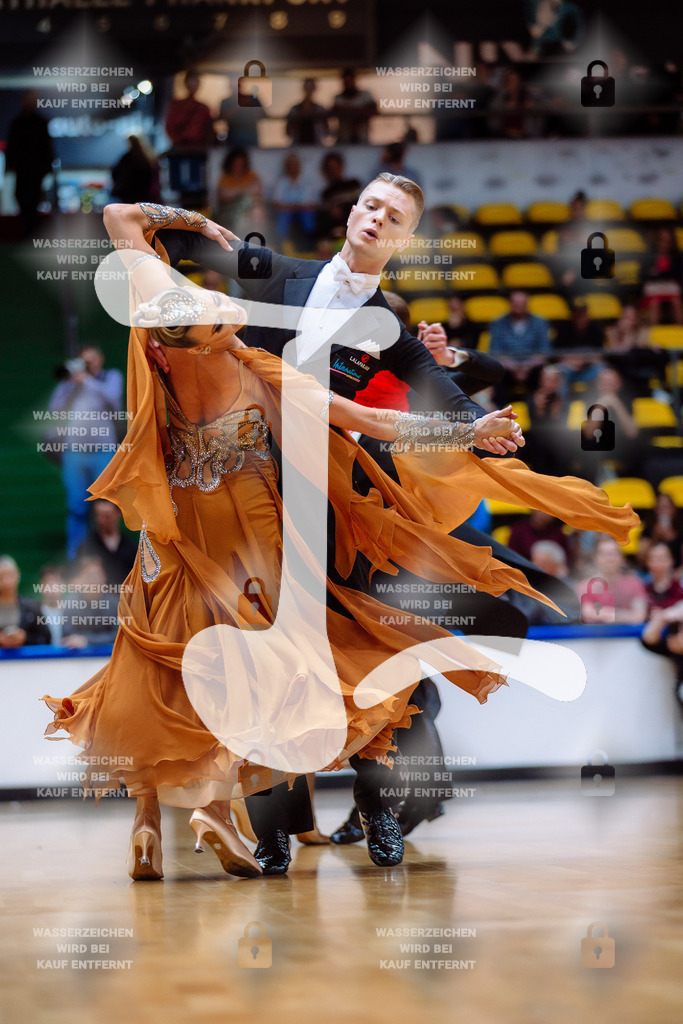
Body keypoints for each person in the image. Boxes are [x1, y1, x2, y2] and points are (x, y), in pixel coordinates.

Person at [45, 200, 558, 882]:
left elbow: (119, 217)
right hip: (254, 524)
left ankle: (152, 826)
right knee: (276, 669)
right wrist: (464, 432)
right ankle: (224, 808)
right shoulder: (258, 364)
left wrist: (191, 223)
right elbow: (367, 420)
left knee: (159, 664)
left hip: (172, 526)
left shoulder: (150, 327)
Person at [146, 177, 636, 869]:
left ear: (403, 239)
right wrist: (172, 215)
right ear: (351, 213)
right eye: (370, 205)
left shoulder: (395, 337)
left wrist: (478, 427)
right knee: (269, 664)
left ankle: (381, 810)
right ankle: (274, 829)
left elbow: (451, 397)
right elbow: (185, 250)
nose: (377, 218)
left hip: (344, 511)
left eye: (394, 216)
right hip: (250, 503)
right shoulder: (281, 274)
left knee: (384, 654)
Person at [47, 345, 124, 559]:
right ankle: (76, 558)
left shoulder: (111, 377)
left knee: (107, 507)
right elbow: (54, 409)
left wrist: (87, 380)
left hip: (103, 450)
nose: (87, 365)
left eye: (90, 361)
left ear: (100, 359)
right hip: (75, 452)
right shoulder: (71, 383)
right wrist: (69, 384)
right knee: (76, 507)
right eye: (84, 362)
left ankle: (109, 556)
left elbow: (114, 401)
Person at [5, 91, 54, 237]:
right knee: (20, 197)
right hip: (22, 169)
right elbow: (12, 145)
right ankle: (31, 230)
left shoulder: (40, 122)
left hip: (36, 170)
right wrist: (10, 165)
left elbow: (47, 146)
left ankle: (32, 232)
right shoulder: (17, 122)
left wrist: (47, 167)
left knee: (33, 200)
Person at [640, 543, 683, 706]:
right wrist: (662, 618)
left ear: (671, 561)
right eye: (654, 558)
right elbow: (649, 639)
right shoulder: (643, 589)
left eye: (663, 558)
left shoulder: (679, 591)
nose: (659, 563)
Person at [164, 71, 216, 206]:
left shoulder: (203, 108)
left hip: (198, 153)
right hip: (180, 152)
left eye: (196, 82)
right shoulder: (177, 105)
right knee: (181, 189)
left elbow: (208, 130)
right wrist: (179, 142)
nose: (193, 85)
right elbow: (170, 126)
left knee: (199, 189)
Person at [575, 535, 648, 624]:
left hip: (628, 636)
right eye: (604, 554)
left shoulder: (635, 583)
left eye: (614, 553)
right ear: (595, 558)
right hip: (594, 636)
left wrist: (603, 614)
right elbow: (587, 615)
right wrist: (625, 615)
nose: (610, 558)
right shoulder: (585, 586)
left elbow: (639, 616)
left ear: (622, 558)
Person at [75, 499, 137, 587]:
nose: (101, 521)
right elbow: (76, 578)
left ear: (118, 514)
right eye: (98, 516)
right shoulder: (86, 547)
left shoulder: (131, 548)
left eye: (107, 516)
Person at [0, 555, 50, 649]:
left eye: (10, 575)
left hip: (26, 662)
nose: (7, 582)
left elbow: (46, 638)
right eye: (2, 577)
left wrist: (25, 638)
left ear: (18, 575)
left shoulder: (31, 607)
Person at [271, 153, 318, 250]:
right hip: (286, 211)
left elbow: (312, 203)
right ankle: (281, 245)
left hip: (303, 210)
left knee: (308, 215)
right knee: (283, 216)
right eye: (290, 165)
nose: (292, 168)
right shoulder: (281, 182)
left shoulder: (307, 181)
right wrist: (291, 207)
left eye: (294, 165)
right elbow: (275, 203)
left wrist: (297, 206)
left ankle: (310, 243)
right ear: (286, 167)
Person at [214, 148, 263, 240]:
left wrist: (235, 191)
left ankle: (257, 240)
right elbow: (223, 195)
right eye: (236, 163)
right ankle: (238, 242)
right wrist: (245, 189)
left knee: (257, 212)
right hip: (231, 212)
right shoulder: (225, 178)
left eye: (241, 164)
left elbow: (258, 190)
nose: (238, 166)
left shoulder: (251, 176)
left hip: (250, 210)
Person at [330, 68, 377, 144]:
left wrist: (347, 111)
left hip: (362, 139)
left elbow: (374, 110)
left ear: (354, 81)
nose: (348, 84)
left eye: (350, 81)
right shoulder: (338, 98)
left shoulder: (365, 95)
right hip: (344, 139)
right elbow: (334, 111)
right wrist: (360, 111)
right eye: (346, 81)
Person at [111, 136, 158, 205]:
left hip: (129, 193)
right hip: (143, 193)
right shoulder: (146, 156)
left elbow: (116, 172)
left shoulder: (128, 157)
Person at [285, 78, 329, 145]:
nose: (309, 91)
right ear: (303, 89)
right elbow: (288, 132)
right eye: (307, 88)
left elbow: (326, 132)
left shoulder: (320, 110)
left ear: (314, 89)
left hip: (316, 145)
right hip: (298, 146)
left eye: (311, 88)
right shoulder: (295, 110)